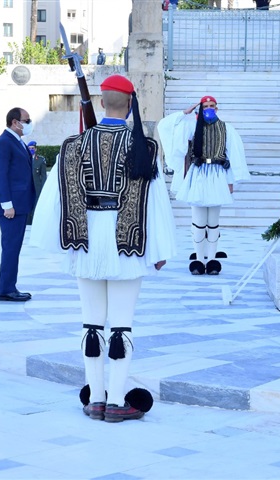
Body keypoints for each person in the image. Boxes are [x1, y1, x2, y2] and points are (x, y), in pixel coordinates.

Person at [30, 74, 176, 422]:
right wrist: (160, 250)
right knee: (122, 326)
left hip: (85, 241)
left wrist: (59, 240)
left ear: (100, 102)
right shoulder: (143, 147)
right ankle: (116, 401)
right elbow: (155, 201)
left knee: (91, 324)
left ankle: (95, 399)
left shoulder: (73, 145)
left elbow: (56, 196)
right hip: (129, 243)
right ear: (131, 104)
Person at [157, 95, 250, 275]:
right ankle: (199, 260)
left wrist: (231, 181)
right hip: (198, 175)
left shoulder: (226, 129)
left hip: (217, 175)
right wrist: (185, 112)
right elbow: (165, 126)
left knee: (213, 222)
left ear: (217, 108)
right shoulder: (191, 127)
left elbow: (233, 154)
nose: (208, 109)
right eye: (205, 106)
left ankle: (212, 260)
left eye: (211, 106)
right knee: (199, 221)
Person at [0, 108, 37, 302]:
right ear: (15, 122)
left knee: (13, 247)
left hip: (19, 204)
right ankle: (7, 289)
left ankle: (9, 286)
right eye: (27, 120)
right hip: (11, 207)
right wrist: (7, 205)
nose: (29, 123)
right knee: (11, 247)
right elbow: (0, 176)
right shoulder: (4, 142)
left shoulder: (17, 141)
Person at [27, 140, 47, 225]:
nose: (31, 150)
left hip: (37, 187)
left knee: (36, 205)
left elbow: (43, 176)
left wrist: (43, 188)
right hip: (27, 187)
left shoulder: (40, 160)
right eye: (29, 148)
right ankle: (28, 222)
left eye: (32, 148)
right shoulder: (24, 159)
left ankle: (35, 223)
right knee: (27, 205)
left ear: (35, 149)